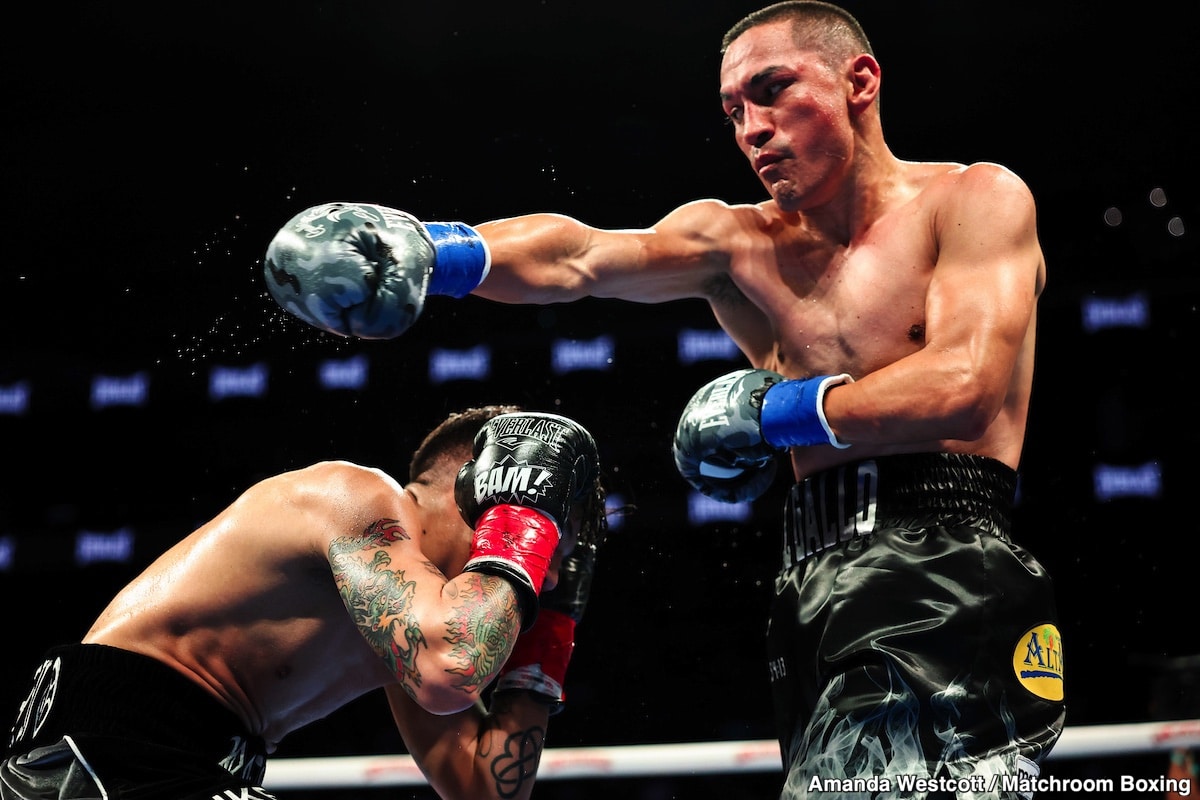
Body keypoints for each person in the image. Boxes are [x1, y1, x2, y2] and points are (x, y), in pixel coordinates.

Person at [260, 1, 1065, 795]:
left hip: (942, 561)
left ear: (859, 81)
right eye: (734, 110)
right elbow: (581, 256)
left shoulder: (972, 200)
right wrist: (435, 250)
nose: (753, 129)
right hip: (811, 580)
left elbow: (964, 385)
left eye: (774, 90)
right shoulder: (741, 242)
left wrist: (772, 415)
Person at [2, 406, 608, 800]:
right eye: (548, 542)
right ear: (485, 491)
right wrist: (519, 536)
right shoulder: (352, 496)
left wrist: (550, 635)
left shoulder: (408, 624)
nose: (550, 574)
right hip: (105, 745)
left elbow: (482, 788)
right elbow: (450, 666)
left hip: (196, 762)